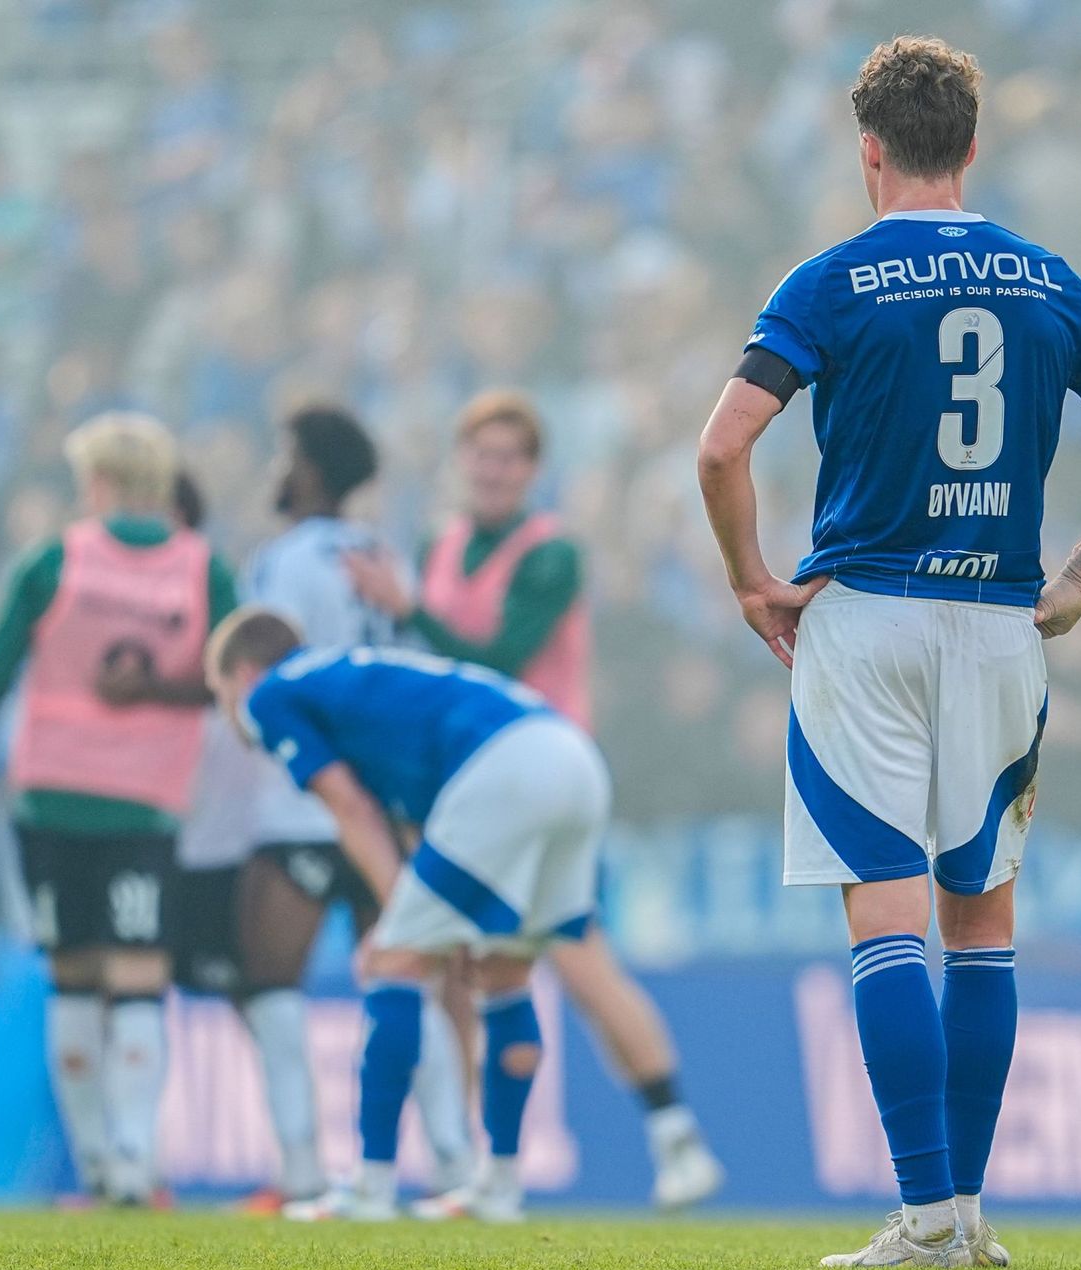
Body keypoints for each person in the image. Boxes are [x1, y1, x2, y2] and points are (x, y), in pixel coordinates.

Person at [695, 36, 1081, 1268]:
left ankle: (920, 1211)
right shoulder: (1044, 277)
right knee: (981, 928)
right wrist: (1076, 574)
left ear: (866, 149)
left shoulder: (826, 280)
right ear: (971, 147)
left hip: (863, 618)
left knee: (886, 921)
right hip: (997, 627)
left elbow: (721, 449)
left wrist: (750, 582)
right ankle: (967, 1217)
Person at [346, 389, 724, 1210]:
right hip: (466, 787)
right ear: (461, 461)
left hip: (539, 777)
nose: (493, 469)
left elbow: (499, 660)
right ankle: (493, 1161)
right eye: (481, 453)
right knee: (477, 968)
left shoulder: (550, 554)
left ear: (533, 470)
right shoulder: (436, 544)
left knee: (565, 959)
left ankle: (669, 1133)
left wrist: (409, 609)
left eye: (510, 456)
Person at [209, 611, 609, 1224]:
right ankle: (499, 1188)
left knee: (392, 963)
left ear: (239, 674)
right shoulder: (347, 677)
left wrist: (400, 922)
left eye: (220, 695)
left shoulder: (271, 694)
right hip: (571, 757)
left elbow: (349, 807)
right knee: (505, 972)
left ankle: (369, 1189)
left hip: (505, 766)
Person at [0, 412, 238, 1206]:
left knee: (72, 973)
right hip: (147, 803)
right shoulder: (203, 571)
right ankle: (137, 1161)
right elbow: (242, 673)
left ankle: (99, 1162)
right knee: (140, 974)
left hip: (51, 795)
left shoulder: (53, 561)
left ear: (98, 484)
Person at [229, 406, 475, 1212]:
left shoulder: (284, 561)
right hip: (382, 800)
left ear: (310, 468)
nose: (276, 468)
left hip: (302, 802)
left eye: (284, 452)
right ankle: (452, 1164)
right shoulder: (381, 554)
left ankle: (300, 1166)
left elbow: (265, 678)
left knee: (269, 980)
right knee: (407, 971)